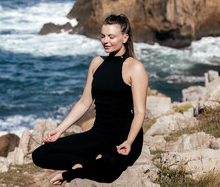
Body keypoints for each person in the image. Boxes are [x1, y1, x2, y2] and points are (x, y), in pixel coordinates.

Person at [32, 14, 148, 185]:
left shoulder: (135, 68)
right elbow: (85, 102)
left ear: (125, 38)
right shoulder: (97, 63)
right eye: (103, 36)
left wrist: (129, 141)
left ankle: (73, 173)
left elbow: (139, 112)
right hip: (97, 135)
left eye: (111, 36)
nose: (105, 41)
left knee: (110, 167)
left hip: (123, 138)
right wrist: (60, 130)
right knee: (40, 155)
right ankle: (88, 163)